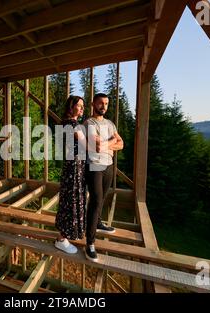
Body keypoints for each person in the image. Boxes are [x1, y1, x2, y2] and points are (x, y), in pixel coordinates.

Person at [83, 93, 124, 262]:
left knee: (103, 197)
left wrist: (110, 144)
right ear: (93, 104)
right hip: (94, 166)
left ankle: (98, 223)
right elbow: (97, 146)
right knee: (96, 200)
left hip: (108, 165)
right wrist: (111, 142)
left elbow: (122, 144)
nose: (104, 106)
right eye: (100, 103)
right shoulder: (89, 123)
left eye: (106, 103)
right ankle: (90, 243)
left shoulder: (110, 123)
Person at [54, 96, 87, 254]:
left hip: (72, 166)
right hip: (73, 167)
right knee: (70, 199)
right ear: (71, 106)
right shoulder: (72, 124)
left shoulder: (66, 123)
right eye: (79, 105)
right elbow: (88, 145)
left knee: (69, 198)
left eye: (83, 106)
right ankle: (61, 239)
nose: (82, 108)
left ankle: (64, 235)